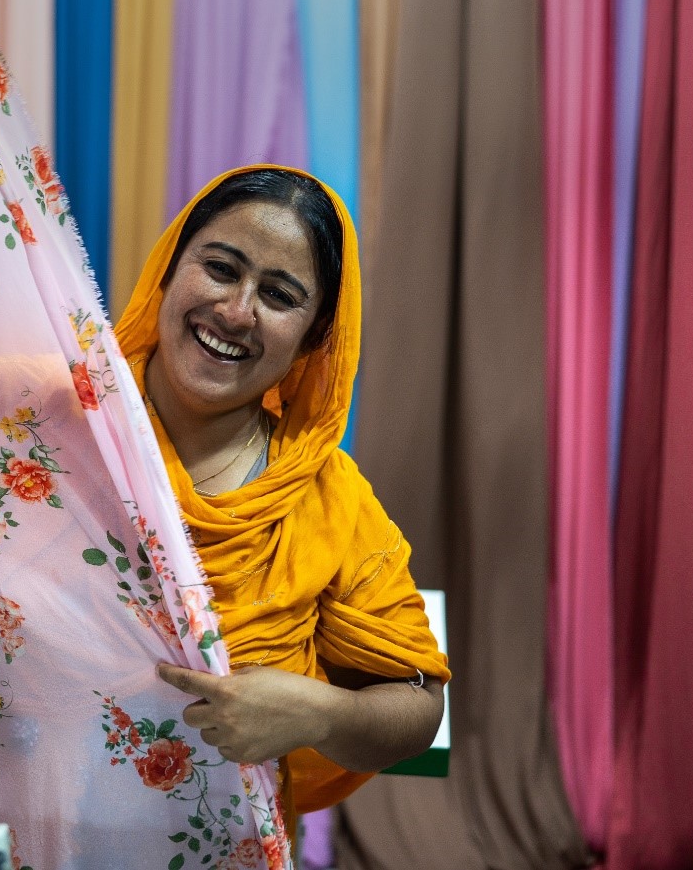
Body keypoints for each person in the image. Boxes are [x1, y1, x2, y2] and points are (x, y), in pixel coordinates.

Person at [113, 164, 451, 820]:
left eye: (278, 293)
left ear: (313, 338)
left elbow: (421, 706)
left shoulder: (326, 499)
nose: (236, 311)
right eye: (220, 268)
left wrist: (320, 711)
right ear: (169, 265)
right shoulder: (42, 418)